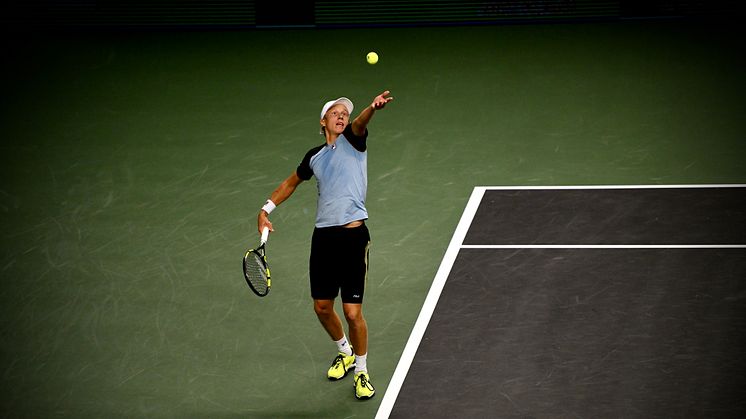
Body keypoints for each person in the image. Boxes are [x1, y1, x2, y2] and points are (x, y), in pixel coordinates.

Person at [257, 91, 393, 400]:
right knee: (321, 307)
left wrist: (372, 108)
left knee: (353, 313)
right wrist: (265, 210)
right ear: (324, 121)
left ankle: (361, 371)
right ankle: (344, 352)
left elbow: (360, 123)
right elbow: (291, 182)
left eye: (345, 113)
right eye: (336, 112)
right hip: (324, 240)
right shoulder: (314, 156)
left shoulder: (354, 141)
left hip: (353, 238)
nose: (343, 116)